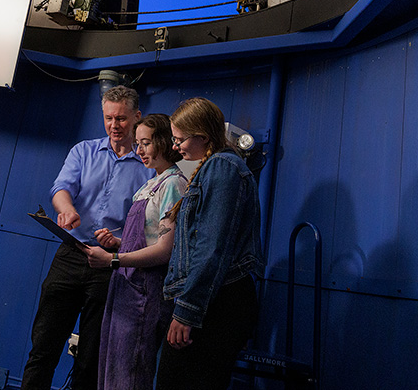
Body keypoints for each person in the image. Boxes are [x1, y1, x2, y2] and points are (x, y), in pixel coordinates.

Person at [21, 86, 154, 390]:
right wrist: (67, 209)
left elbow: (148, 224)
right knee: (43, 348)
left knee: (91, 359)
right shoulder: (83, 151)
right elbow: (61, 188)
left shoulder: (148, 166)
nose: (114, 125)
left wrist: (119, 244)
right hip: (71, 254)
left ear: (137, 116)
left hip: (111, 266)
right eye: (108, 118)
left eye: (121, 118)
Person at [156, 97, 264, 390]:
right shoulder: (213, 167)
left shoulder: (222, 167)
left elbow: (211, 247)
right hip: (213, 299)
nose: (175, 147)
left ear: (203, 137)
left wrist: (187, 311)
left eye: (179, 140)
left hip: (217, 302)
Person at [81, 113, 188, 390]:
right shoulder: (149, 185)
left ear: (164, 142)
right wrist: (118, 243)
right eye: (137, 144)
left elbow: (164, 250)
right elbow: (147, 238)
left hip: (145, 294)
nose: (139, 150)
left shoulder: (173, 185)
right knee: (115, 371)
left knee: (131, 376)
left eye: (146, 143)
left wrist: (113, 260)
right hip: (125, 290)